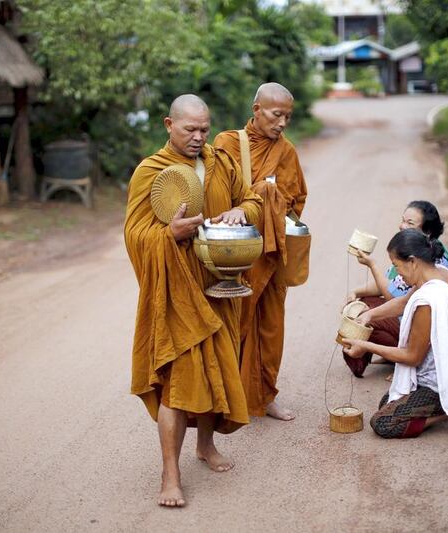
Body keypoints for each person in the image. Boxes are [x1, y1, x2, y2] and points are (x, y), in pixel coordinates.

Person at [124, 94, 262, 508]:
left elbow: (253, 199)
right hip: (176, 294)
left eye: (204, 129)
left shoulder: (223, 162)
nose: (199, 137)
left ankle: (206, 446)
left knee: (218, 369)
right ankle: (170, 473)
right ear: (169, 125)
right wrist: (171, 235)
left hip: (221, 285)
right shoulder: (152, 171)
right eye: (190, 130)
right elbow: (134, 236)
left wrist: (241, 211)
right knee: (177, 384)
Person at [213, 82, 308, 421]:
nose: (282, 123)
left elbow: (296, 201)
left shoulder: (287, 151)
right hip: (234, 251)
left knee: (270, 328)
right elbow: (214, 191)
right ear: (257, 110)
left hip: (270, 253)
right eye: (276, 114)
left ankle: (265, 396)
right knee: (231, 323)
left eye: (288, 117)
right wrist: (259, 194)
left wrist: (266, 198)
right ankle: (227, 399)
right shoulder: (225, 143)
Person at [342, 229, 448, 439]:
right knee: (387, 402)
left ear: (412, 261)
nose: (396, 272)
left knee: (383, 422)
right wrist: (368, 316)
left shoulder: (428, 302)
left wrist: (365, 346)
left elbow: (412, 357)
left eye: (397, 265)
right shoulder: (439, 273)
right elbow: (403, 301)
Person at [343, 200, 448, 378]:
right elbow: (401, 297)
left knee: (395, 404)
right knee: (361, 307)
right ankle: (392, 355)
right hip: (429, 339)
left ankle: (393, 357)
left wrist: (372, 265)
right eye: (403, 220)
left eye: (410, 223)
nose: (402, 226)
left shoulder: (430, 288)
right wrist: (364, 307)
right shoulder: (423, 262)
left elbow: (413, 356)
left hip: (446, 364)